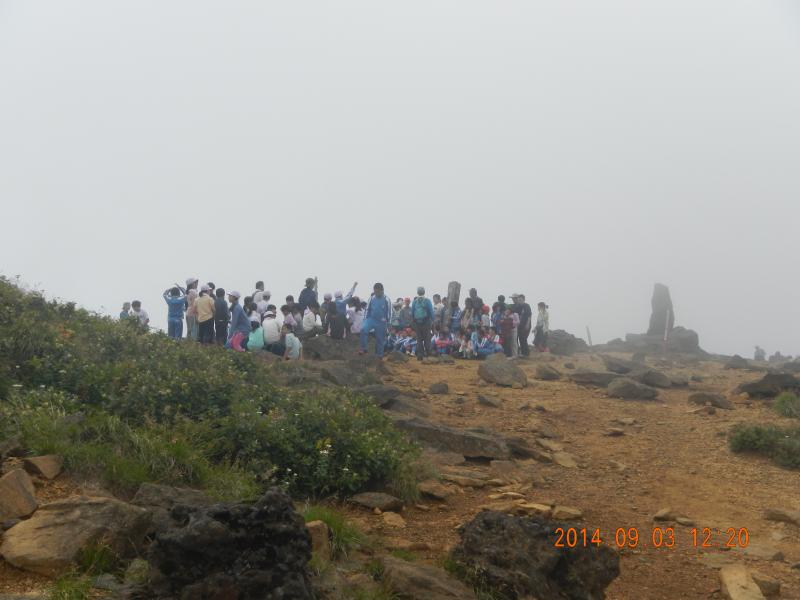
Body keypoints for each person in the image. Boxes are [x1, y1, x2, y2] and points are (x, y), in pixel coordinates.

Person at [360, 282, 391, 357]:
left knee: (380, 339)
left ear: (382, 290)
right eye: (375, 291)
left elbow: (390, 312)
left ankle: (379, 356)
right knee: (363, 329)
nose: (376, 293)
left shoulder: (387, 299)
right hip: (371, 319)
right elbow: (367, 309)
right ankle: (364, 348)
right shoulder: (371, 298)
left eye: (378, 292)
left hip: (381, 322)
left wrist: (388, 323)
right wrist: (365, 320)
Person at [411, 286, 435, 361]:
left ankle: (420, 355)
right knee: (427, 338)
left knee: (419, 339)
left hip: (417, 323)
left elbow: (412, 313)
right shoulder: (427, 301)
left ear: (417, 292)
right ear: (424, 292)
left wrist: (414, 322)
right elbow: (431, 312)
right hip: (426, 322)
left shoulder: (415, 301)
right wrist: (433, 321)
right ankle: (428, 354)